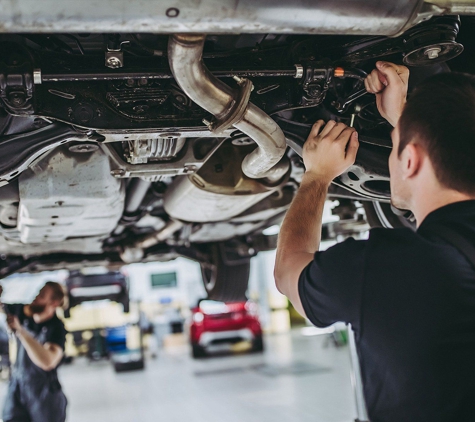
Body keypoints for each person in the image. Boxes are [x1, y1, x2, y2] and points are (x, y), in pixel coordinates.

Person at [274, 60, 475, 421]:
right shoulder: (395, 266)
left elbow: (289, 271)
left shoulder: (392, 268)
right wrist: (404, 120)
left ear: (410, 159)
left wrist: (317, 175)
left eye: (394, 146)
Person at [1, 281, 68, 422]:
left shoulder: (56, 328)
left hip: (44, 394)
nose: (36, 297)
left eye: (42, 296)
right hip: (18, 387)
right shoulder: (23, 313)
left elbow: (48, 361)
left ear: (54, 303)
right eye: (38, 293)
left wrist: (21, 332)